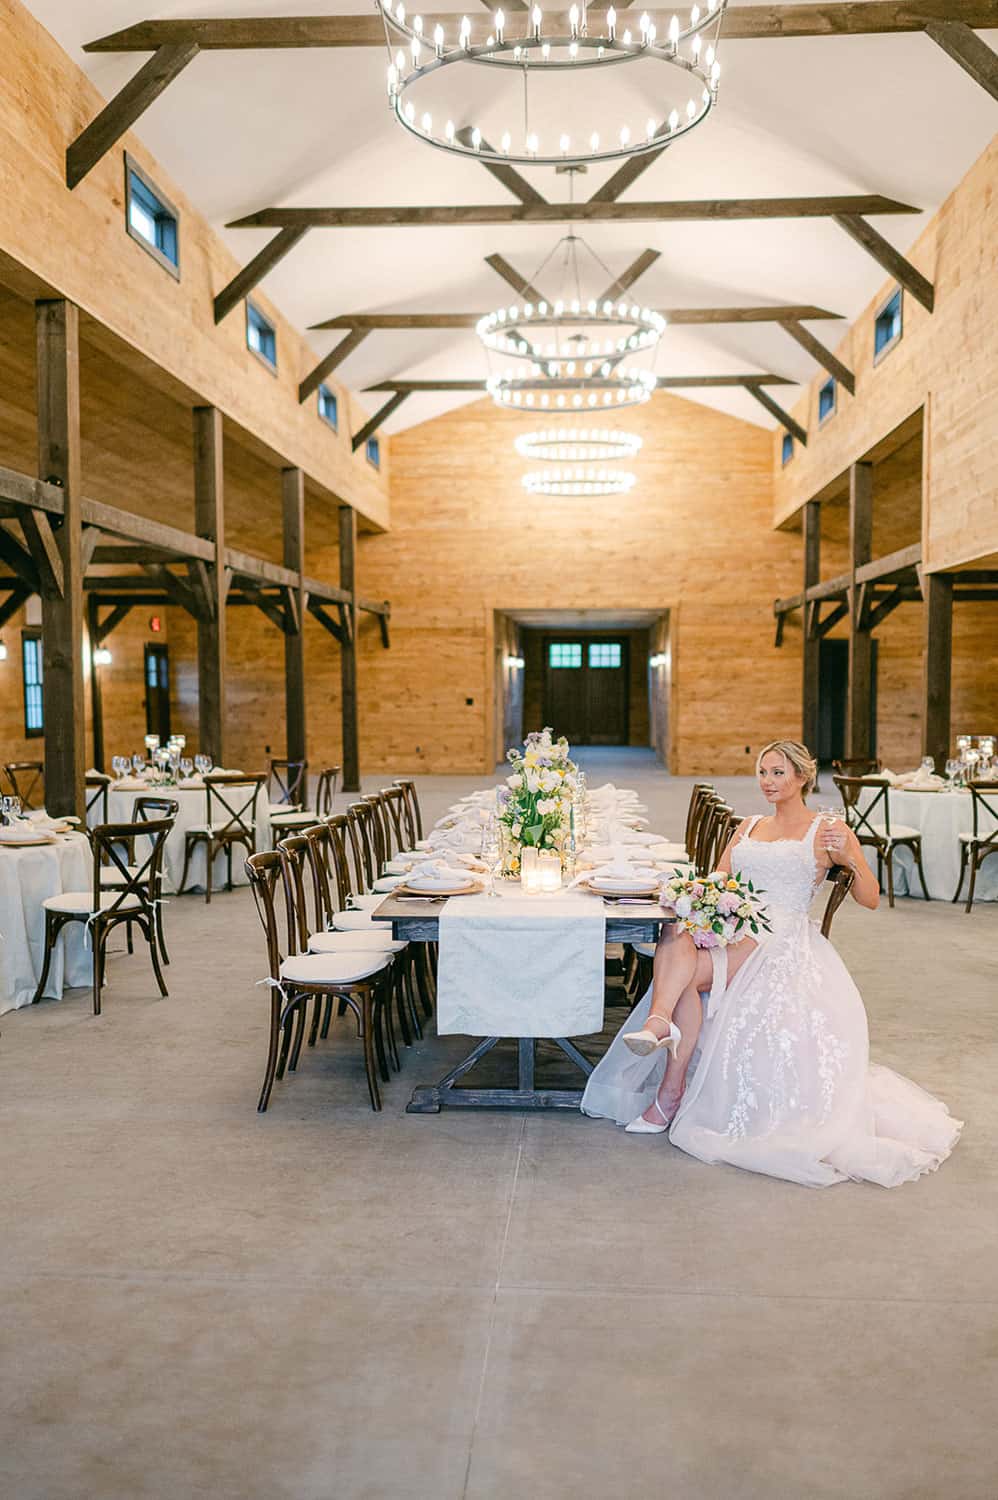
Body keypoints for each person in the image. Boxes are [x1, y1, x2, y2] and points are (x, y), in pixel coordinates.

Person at [580, 740, 963, 1187]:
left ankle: (668, 1085)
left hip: (779, 936)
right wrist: (695, 897)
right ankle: (662, 1031)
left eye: (778, 772)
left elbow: (871, 899)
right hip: (734, 924)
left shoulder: (826, 830)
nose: (768, 781)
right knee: (677, 931)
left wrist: (854, 857)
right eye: (763, 772)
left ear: (802, 776)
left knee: (681, 972)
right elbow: (720, 879)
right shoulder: (748, 826)